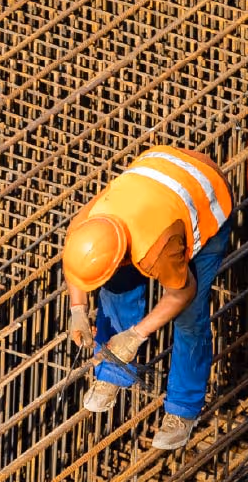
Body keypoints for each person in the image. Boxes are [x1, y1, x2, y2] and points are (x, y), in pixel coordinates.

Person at [61, 145, 235, 450]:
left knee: (189, 319)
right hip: (158, 174)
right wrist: (78, 308)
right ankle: (113, 369)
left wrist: (136, 335)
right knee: (116, 287)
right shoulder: (87, 225)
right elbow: (74, 262)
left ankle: (183, 409)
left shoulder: (158, 247)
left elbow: (182, 292)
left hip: (208, 199)